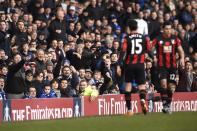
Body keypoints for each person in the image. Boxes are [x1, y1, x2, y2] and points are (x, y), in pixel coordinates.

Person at [151, 21, 185, 114]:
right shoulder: (158, 39)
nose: (168, 31)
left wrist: (182, 58)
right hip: (162, 66)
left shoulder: (175, 39)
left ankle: (168, 104)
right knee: (163, 85)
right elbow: (150, 46)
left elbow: (181, 50)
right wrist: (153, 55)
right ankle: (165, 105)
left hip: (173, 67)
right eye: (166, 29)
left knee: (171, 87)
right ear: (163, 29)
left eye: (170, 29)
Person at [119, 20, 150, 115]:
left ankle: (129, 110)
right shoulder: (144, 38)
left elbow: (123, 51)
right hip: (140, 64)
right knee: (142, 86)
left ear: (129, 27)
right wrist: (152, 58)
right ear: (137, 27)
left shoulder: (126, 38)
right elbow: (149, 50)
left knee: (128, 86)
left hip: (129, 64)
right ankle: (143, 100)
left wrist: (119, 64)